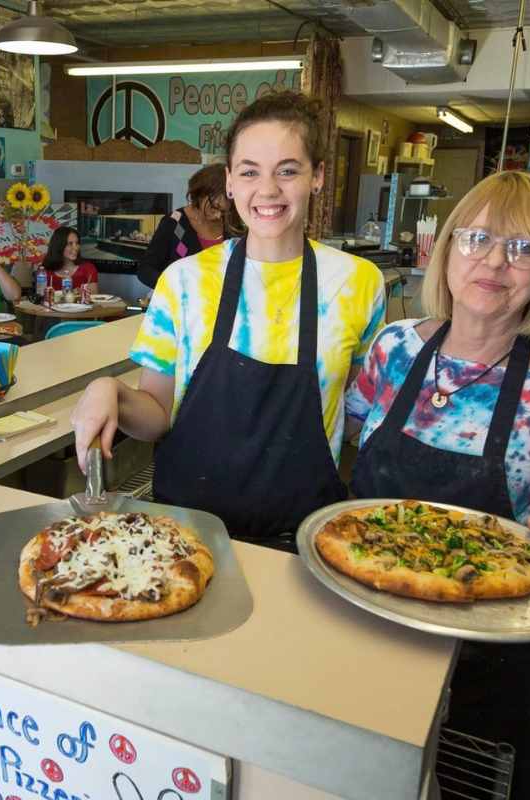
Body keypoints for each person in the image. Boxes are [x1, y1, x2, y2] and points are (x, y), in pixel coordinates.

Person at [343, 168, 530, 800]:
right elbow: (352, 435)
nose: (494, 261)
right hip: (366, 616)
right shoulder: (393, 349)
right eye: (476, 238)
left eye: (523, 248)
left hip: (486, 639)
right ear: (445, 248)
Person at [73, 91, 386, 549]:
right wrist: (111, 392)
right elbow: (158, 415)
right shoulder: (184, 281)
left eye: (288, 170)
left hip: (301, 540)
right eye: (249, 171)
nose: (268, 190)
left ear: (317, 176)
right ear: (230, 182)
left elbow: (355, 417)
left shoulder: (359, 282)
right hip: (185, 533)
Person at [136, 164, 229, 289]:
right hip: (181, 305)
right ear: (200, 193)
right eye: (214, 208)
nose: (218, 216)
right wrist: (174, 288)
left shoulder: (231, 226)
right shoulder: (174, 223)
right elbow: (145, 269)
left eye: (224, 211)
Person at [38, 227, 99, 295]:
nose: (76, 247)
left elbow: (93, 298)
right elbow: (40, 298)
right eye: (70, 244)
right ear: (59, 246)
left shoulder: (88, 269)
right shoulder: (44, 272)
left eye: (77, 243)